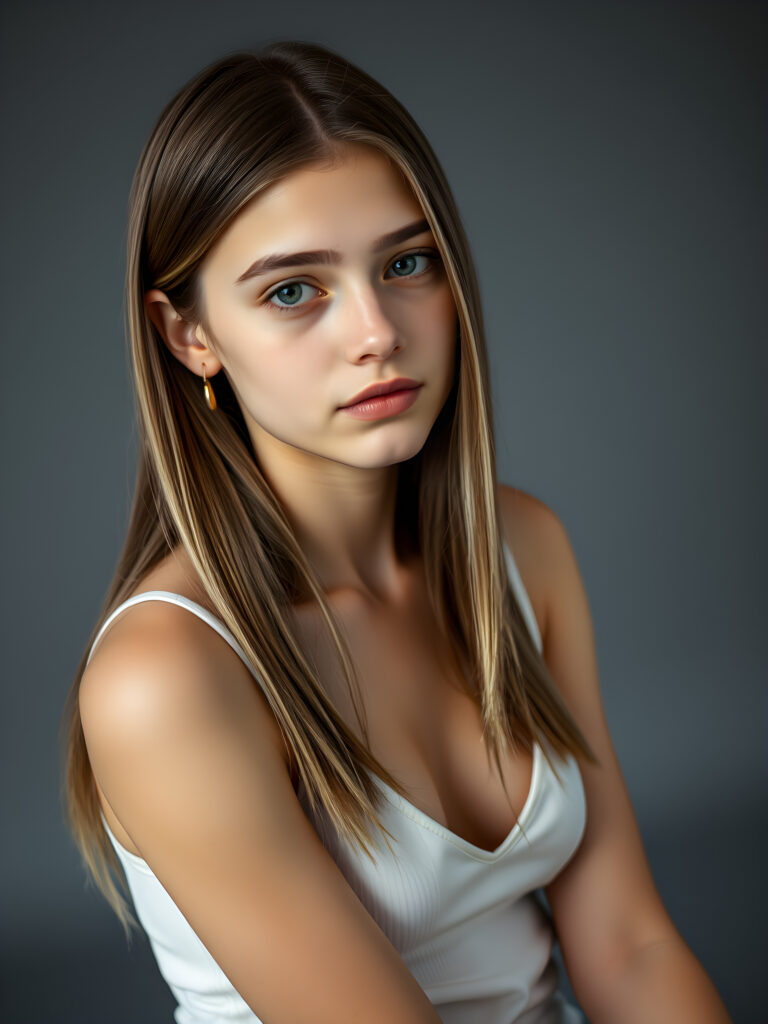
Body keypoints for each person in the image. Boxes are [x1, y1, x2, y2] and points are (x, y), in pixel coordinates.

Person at [61, 40, 732, 1024]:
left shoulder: (523, 549)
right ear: (188, 335)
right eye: (295, 290)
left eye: (406, 263)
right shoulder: (166, 677)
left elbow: (631, 946)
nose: (376, 330)